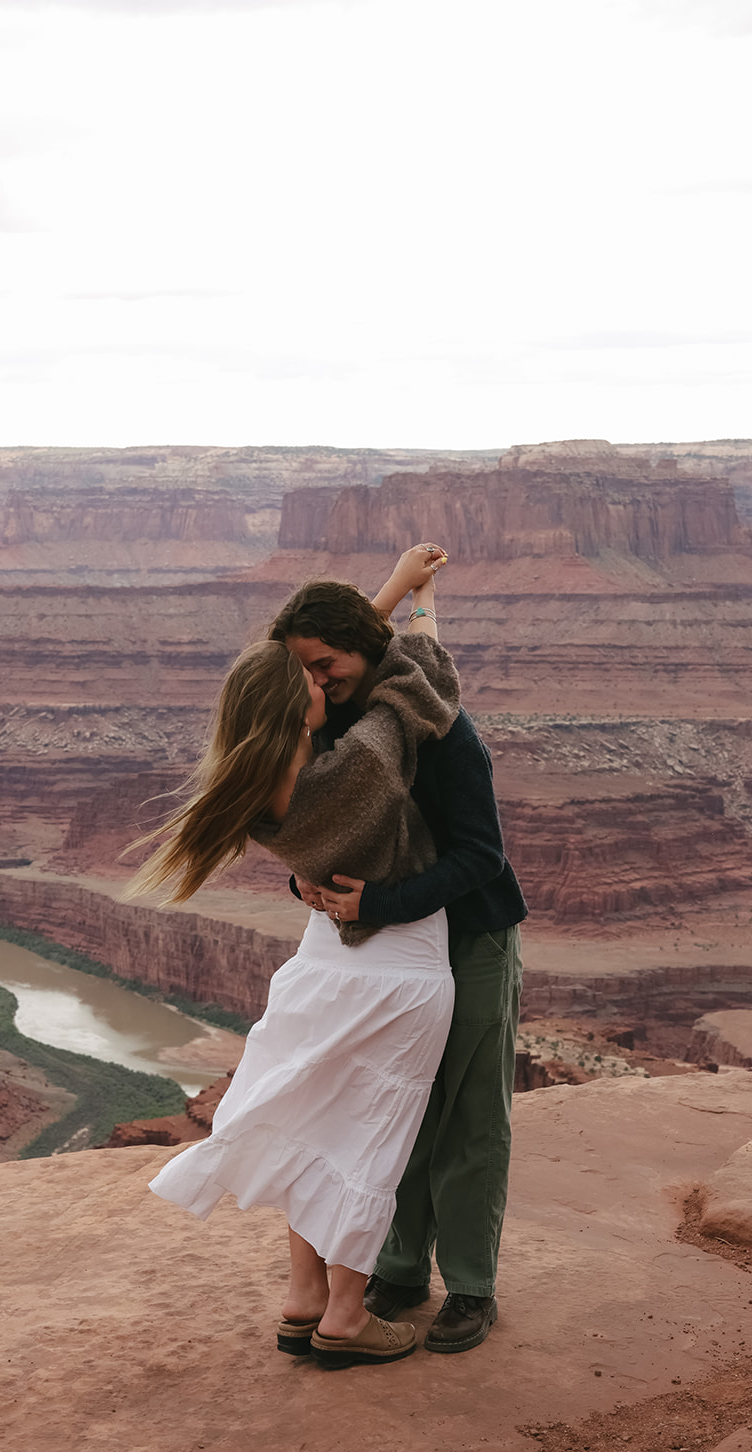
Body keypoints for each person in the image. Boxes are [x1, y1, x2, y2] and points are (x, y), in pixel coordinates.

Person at [128, 546, 460, 1369]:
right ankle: (345, 1316)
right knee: (366, 1136)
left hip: (320, 968)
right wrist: (418, 602)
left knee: (313, 1121)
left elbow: (340, 667)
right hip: (397, 969)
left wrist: (387, 588)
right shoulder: (355, 766)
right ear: (293, 706)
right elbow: (419, 684)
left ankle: (302, 1297)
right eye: (311, 681)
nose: (324, 684)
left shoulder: (259, 789)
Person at [270, 549, 526, 1355]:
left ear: (365, 650)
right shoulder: (344, 726)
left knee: (467, 1113)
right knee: (392, 1105)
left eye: (324, 663)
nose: (315, 681)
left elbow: (480, 854)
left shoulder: (446, 733)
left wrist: (379, 903)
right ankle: (401, 1268)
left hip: (469, 936)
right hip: (382, 953)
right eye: (303, 671)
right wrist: (308, 888)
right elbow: (326, 836)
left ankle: (471, 1287)